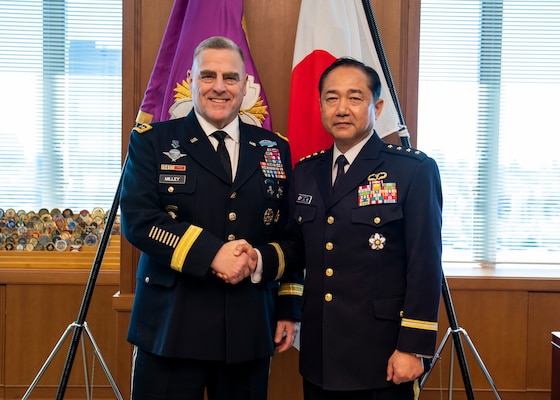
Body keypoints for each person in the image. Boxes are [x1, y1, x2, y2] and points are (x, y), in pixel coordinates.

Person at [240, 57, 443, 400]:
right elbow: (296, 247)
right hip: (321, 354)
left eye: (355, 97)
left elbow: (424, 265)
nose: (342, 108)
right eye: (332, 98)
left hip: (383, 355)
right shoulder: (306, 172)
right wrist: (258, 259)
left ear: (376, 106)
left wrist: (413, 347)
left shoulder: (412, 170)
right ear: (320, 106)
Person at [120, 36, 303, 400]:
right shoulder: (152, 141)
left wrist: (288, 306)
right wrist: (213, 254)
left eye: (230, 78)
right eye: (208, 76)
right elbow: (139, 220)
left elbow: (291, 234)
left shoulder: (274, 148)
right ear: (191, 80)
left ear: (245, 84)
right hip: (171, 324)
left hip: (248, 324)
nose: (219, 87)